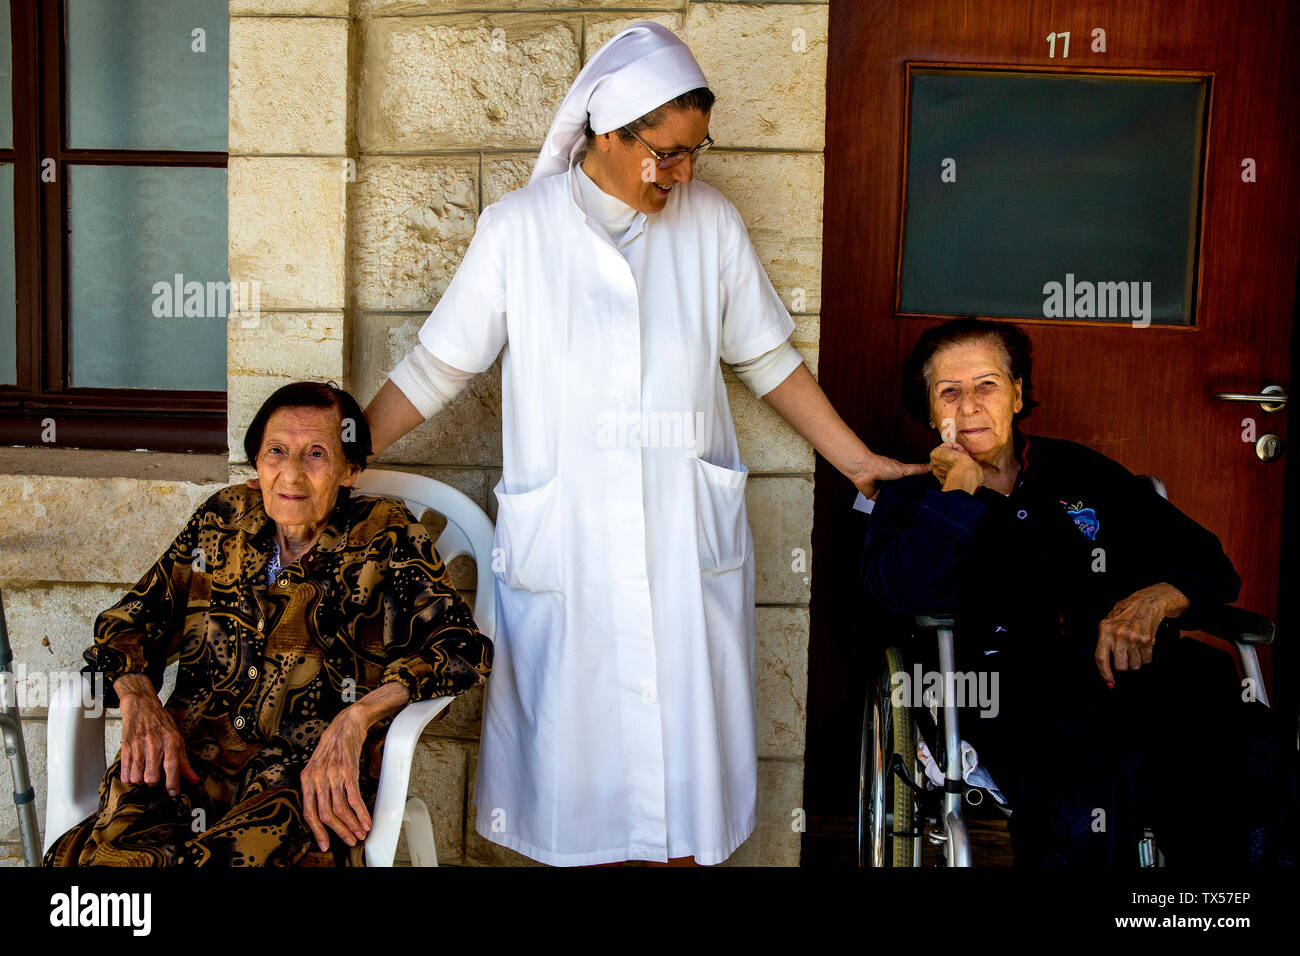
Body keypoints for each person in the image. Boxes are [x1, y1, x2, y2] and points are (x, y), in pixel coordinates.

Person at [363, 22, 924, 866]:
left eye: (695, 152)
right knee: (580, 787)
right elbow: (438, 367)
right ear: (607, 132)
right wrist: (338, 448)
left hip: (680, 540)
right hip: (571, 550)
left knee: (681, 791)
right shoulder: (519, 230)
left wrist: (859, 462)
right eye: (665, 153)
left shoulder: (710, 223)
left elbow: (768, 358)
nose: (682, 174)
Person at [861, 317, 1292, 865]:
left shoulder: (1079, 474)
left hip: (1131, 671)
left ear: (1017, 394)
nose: (968, 405)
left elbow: (1207, 562)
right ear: (929, 410)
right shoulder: (913, 498)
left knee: (1250, 747)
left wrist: (1155, 598)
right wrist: (957, 495)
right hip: (1005, 691)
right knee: (1086, 763)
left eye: (987, 385)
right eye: (949, 391)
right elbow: (902, 592)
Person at [43, 382, 493, 867]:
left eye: (316, 454)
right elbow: (133, 619)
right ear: (257, 463)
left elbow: (460, 648)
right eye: (276, 451)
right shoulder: (222, 519)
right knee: (112, 861)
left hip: (301, 774)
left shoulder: (385, 532)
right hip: (186, 760)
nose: (292, 473)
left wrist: (356, 719)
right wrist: (136, 695)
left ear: (350, 469)